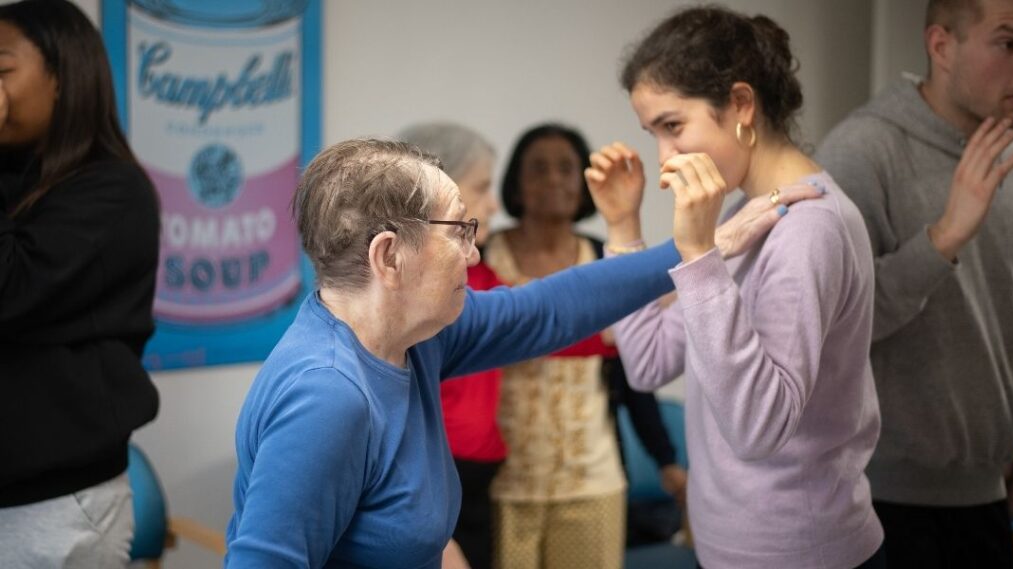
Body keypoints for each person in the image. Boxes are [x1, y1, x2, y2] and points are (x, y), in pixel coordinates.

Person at [223, 137, 790, 568]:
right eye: (457, 232)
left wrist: (697, 250)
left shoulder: (415, 339)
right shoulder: (328, 395)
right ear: (388, 256)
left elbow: (547, 309)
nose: (473, 255)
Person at [585, 6, 884, 568]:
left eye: (673, 127)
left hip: (799, 552)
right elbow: (647, 363)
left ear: (741, 105)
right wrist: (624, 227)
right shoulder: (750, 214)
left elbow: (758, 428)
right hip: (732, 547)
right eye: (653, 133)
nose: (664, 157)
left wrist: (699, 254)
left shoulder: (809, 226)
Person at [815, 0, 1013, 566]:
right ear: (941, 46)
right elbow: (834, 326)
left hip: (987, 493)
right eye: (1009, 44)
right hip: (881, 501)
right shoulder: (861, 151)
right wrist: (943, 238)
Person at [0, 1, 161, 567]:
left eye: (0, 70)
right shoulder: (11, 176)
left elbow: (8, 290)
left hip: (50, 505)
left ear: (64, 79)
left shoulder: (111, 192)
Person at [486, 122, 686, 569]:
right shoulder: (482, 257)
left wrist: (667, 461)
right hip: (501, 484)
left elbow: (637, 370)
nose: (553, 179)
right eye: (538, 169)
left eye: (566, 169)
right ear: (516, 183)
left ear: (584, 185)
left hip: (591, 481)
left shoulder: (606, 257)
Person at [397, 121, 502, 569]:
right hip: (439, 475)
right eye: (481, 188)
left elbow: (535, 320)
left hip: (478, 473)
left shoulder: (482, 274)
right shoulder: (423, 293)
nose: (493, 205)